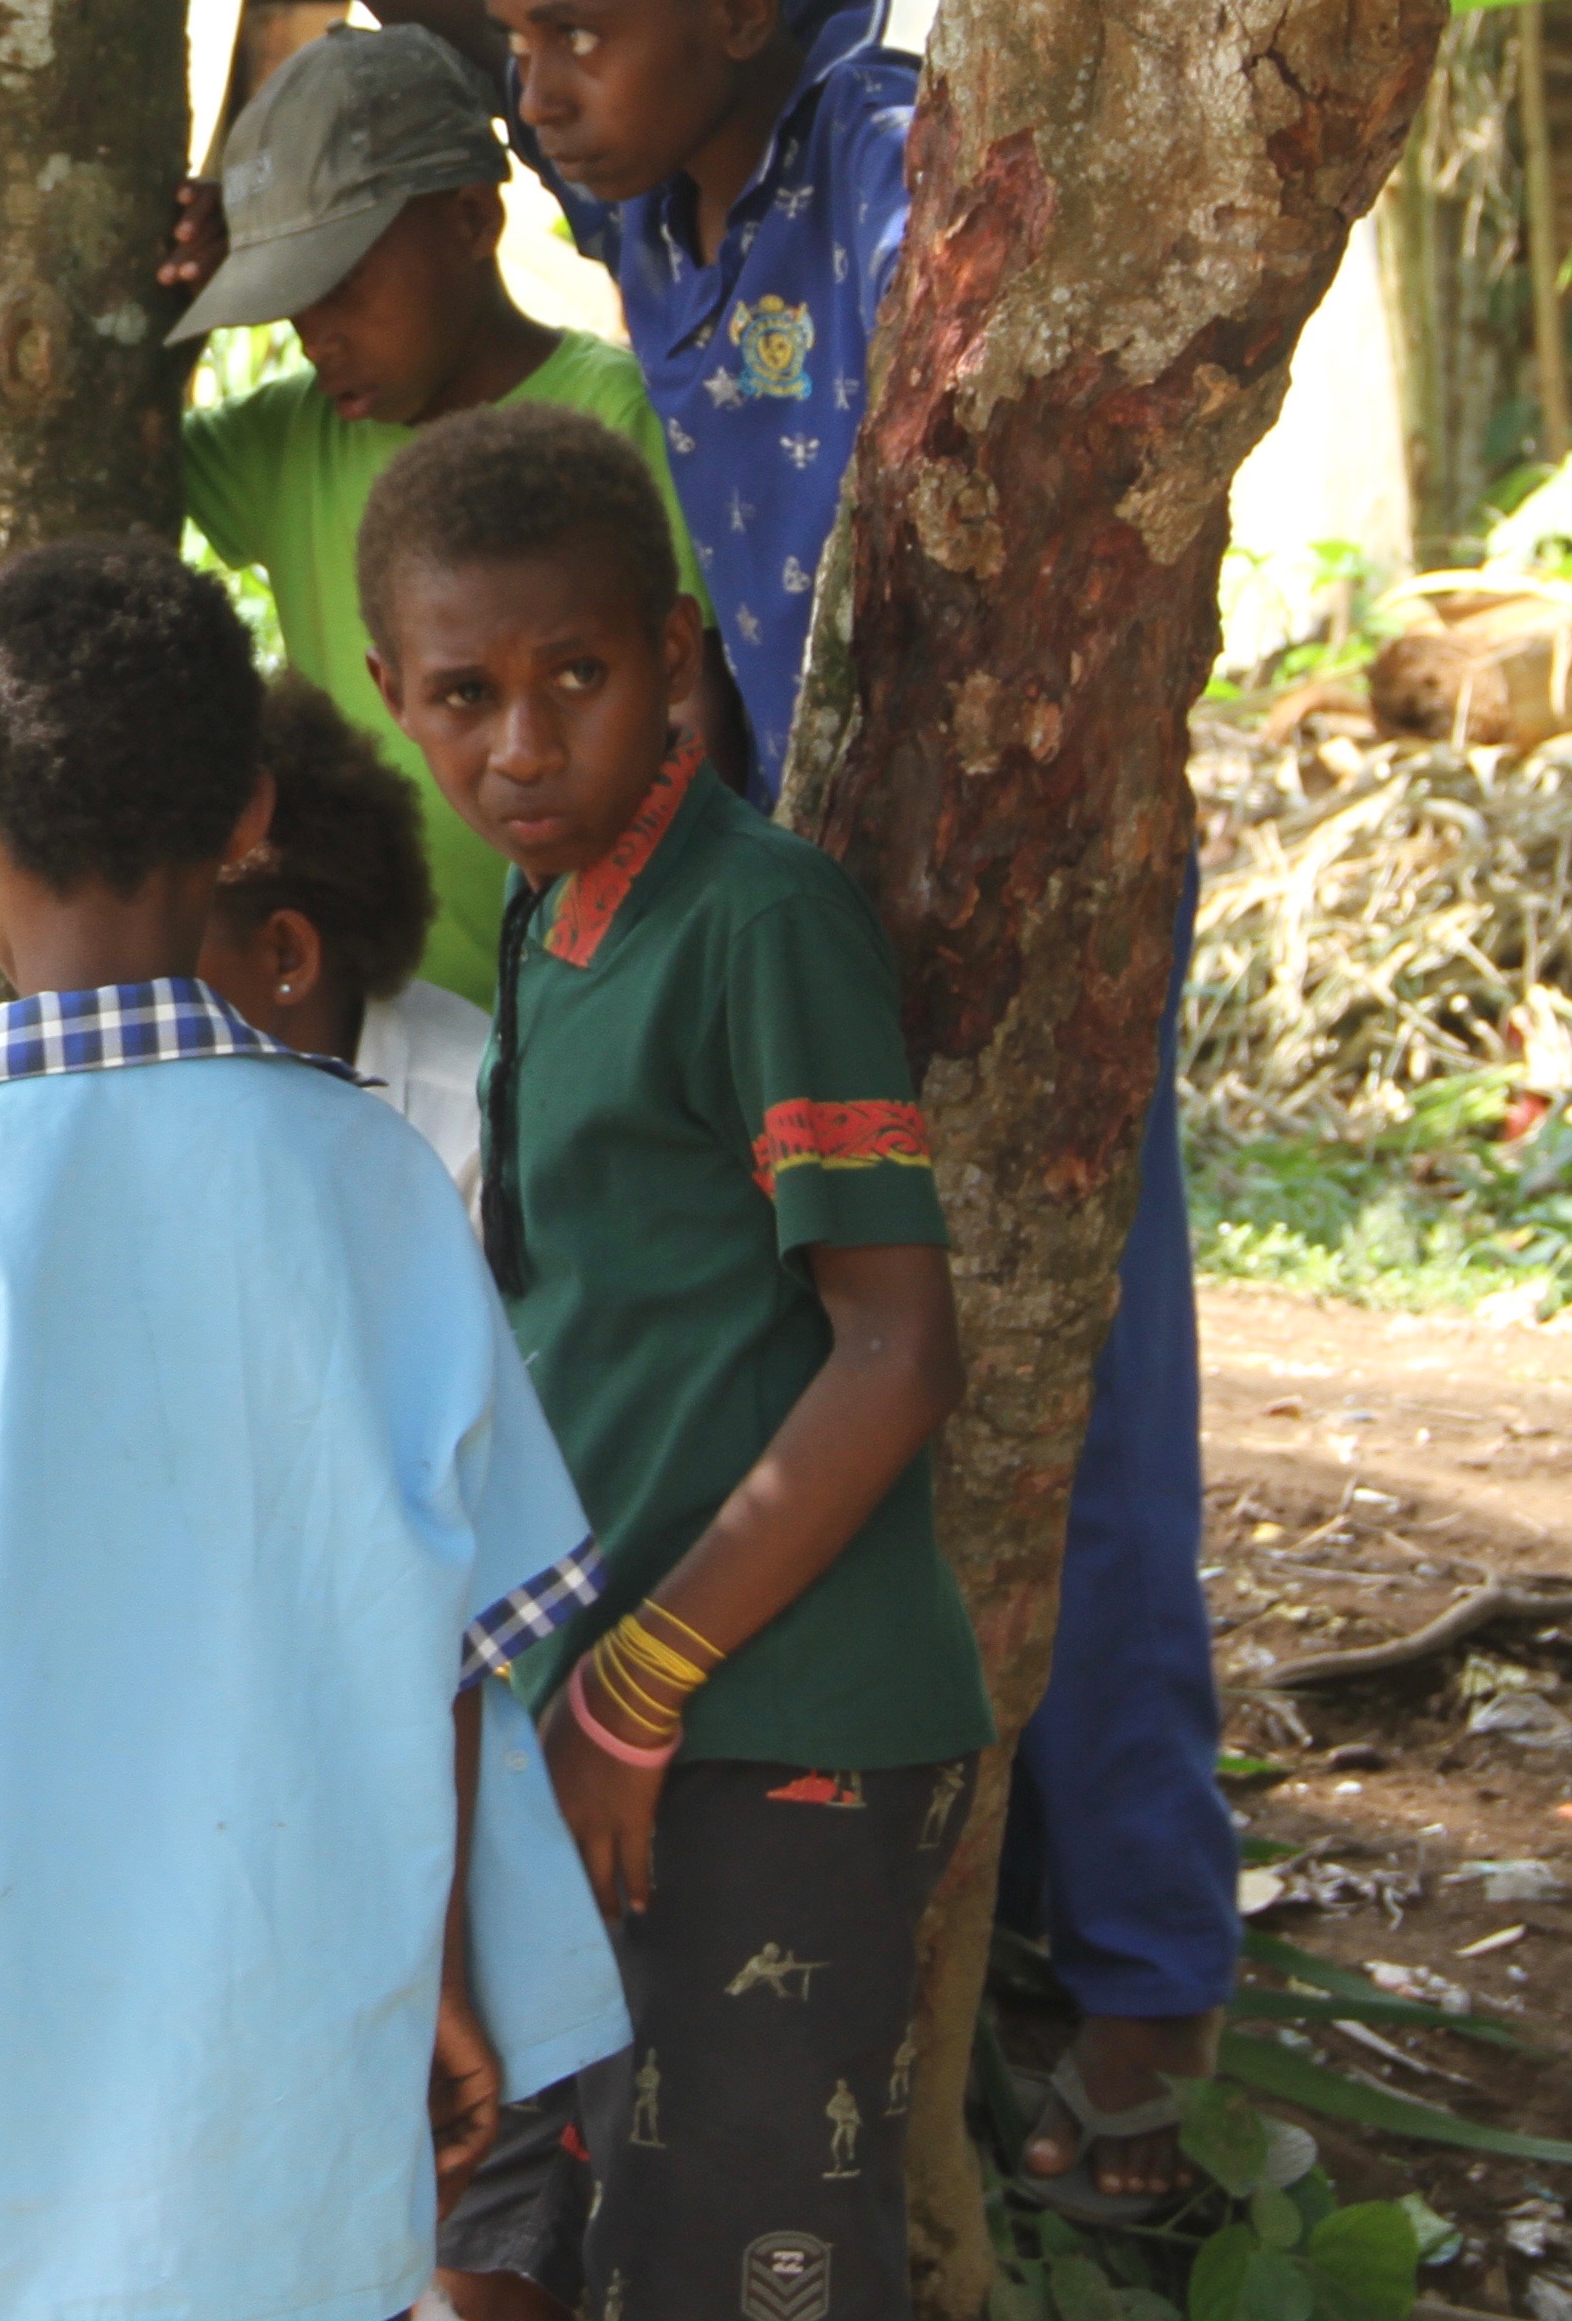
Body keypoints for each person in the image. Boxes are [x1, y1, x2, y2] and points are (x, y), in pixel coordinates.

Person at [172, 0, 1245, 2202]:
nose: (532, 88)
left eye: (575, 41)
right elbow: (481, 44)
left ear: (732, 16)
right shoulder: (650, 179)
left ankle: (1145, 1997)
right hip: (806, 884)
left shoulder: (878, 167)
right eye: (525, 48)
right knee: (787, 1368)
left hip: (1006, 879)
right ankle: (904, 1902)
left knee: (1074, 1404)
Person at [0, 536, 628, 2321]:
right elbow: (449, 1638)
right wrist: (434, 1964)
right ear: (249, 816)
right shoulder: (377, 1182)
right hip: (303, 2028)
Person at [356, 407, 991, 2321]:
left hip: (774, 1718)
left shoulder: (759, 921)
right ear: (393, 698)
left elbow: (899, 1348)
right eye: (465, 695)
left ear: (677, 655)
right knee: (563, 2229)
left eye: (578, 677)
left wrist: (636, 1690)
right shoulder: (550, 912)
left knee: (748, 2254)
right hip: (620, 1710)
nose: (522, 743)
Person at [164, 18, 707, 1005]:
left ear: (469, 220)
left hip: (601, 1003)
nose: (314, 334)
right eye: (290, 299)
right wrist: (166, 310)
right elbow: (114, 459)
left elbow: (692, 731)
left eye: (342, 285)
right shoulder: (289, 437)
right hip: (383, 1028)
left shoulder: (619, 419)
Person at [198, 667, 491, 1212]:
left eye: (166, 947)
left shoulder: (475, 1140)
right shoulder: (181, 1113)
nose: (124, 986)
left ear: (287, 955)